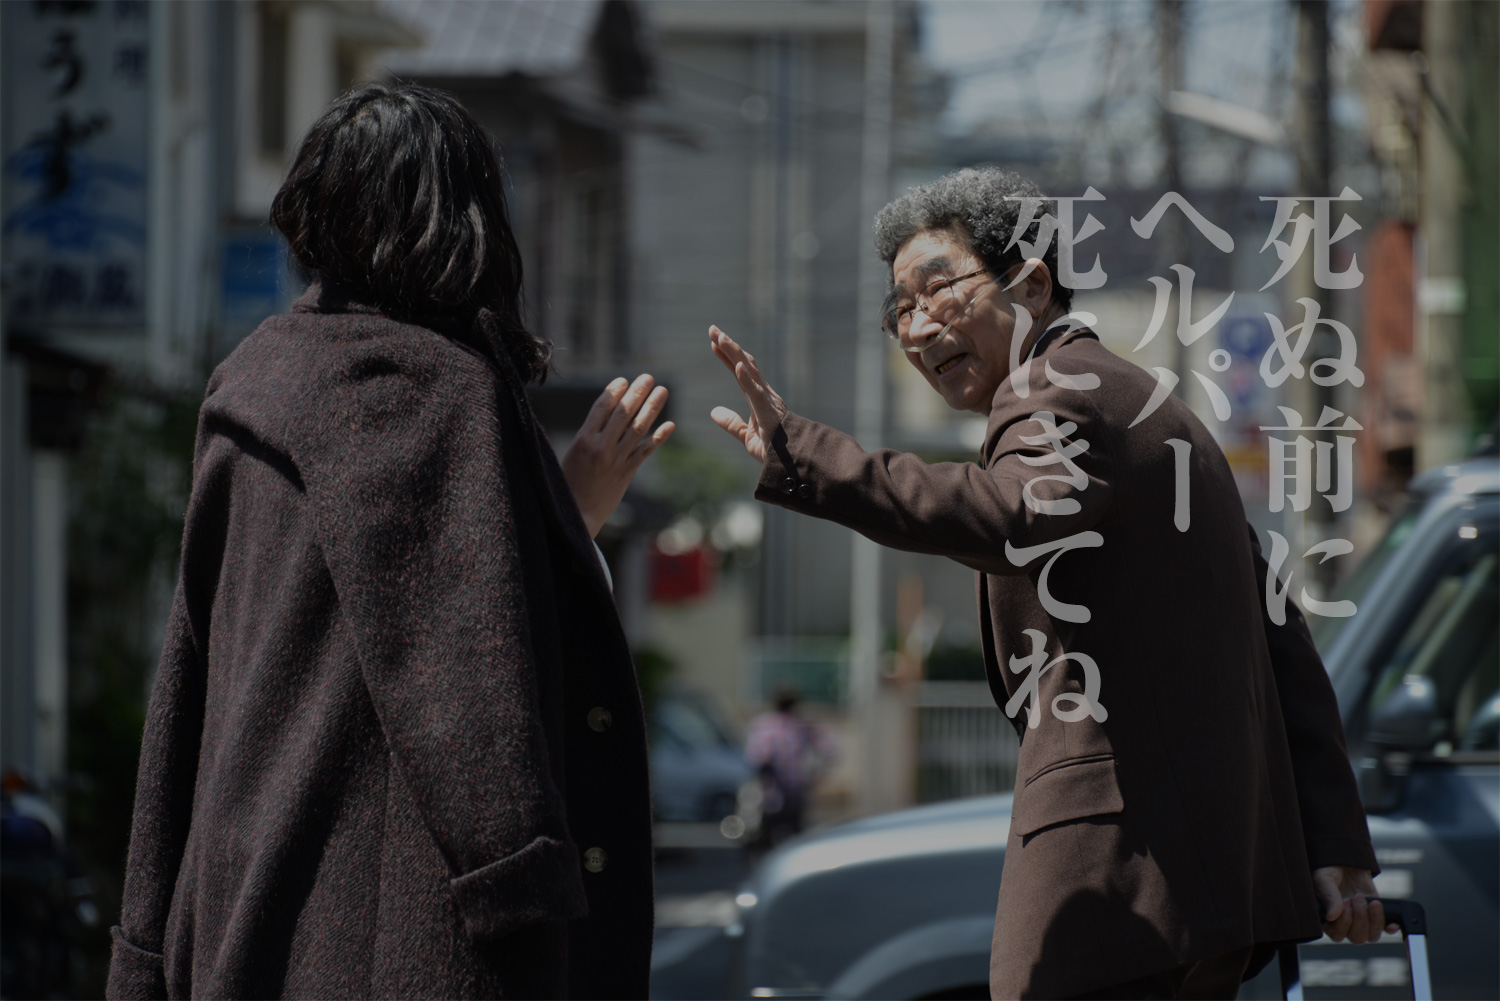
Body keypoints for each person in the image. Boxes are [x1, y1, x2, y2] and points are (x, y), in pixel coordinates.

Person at [708, 167, 1393, 1000]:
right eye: (900, 309)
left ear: (1032, 285)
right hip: (1216, 885)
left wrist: (809, 458)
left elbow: (1011, 514)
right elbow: (1282, 638)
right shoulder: (1158, 410)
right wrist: (1334, 842)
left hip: (1122, 878)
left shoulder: (1053, 386)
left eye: (940, 290)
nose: (918, 328)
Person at [107, 83, 669, 1000]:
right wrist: (526, 907)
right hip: (394, 947)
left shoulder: (249, 385)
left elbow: (189, 685)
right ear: (465, 223)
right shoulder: (442, 397)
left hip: (236, 916)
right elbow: (475, 712)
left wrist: (143, 947)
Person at [744, 685, 836, 849]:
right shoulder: (777, 725)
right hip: (777, 793)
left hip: (789, 793)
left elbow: (829, 751)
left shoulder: (796, 726)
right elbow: (757, 757)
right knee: (770, 839)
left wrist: (814, 775)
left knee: (789, 841)